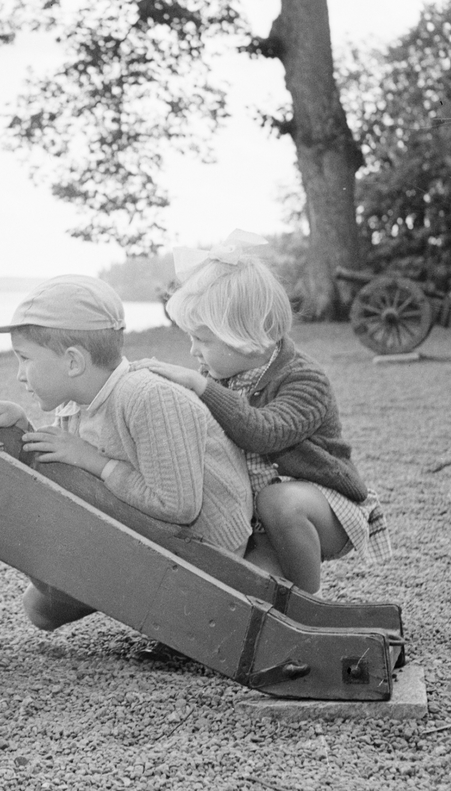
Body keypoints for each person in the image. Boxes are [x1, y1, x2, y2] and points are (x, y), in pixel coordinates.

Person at [0, 274, 254, 630]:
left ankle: (185, 616)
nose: (19, 376)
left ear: (73, 362)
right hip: (167, 540)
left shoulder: (147, 397)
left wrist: (92, 461)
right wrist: (21, 429)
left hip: (209, 559)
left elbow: (178, 506)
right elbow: (70, 459)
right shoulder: (78, 403)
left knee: (48, 566)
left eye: (24, 359)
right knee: (40, 608)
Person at [133, 231, 392, 593]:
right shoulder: (219, 375)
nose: (193, 352)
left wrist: (201, 388)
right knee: (240, 587)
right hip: (257, 520)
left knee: (279, 501)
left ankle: (309, 606)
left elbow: (263, 432)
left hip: (322, 507)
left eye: (203, 340)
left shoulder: (304, 379)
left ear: (246, 335)